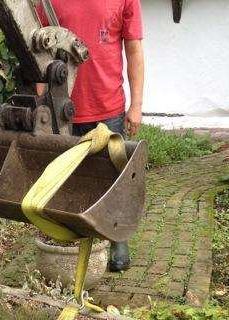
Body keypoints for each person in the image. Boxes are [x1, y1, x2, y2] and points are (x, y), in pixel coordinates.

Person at [36, 0, 145, 272]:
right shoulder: (47, 1)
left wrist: (137, 105)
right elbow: (38, 51)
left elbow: (133, 50)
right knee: (68, 178)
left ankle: (117, 237)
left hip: (108, 107)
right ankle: (76, 236)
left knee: (112, 178)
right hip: (63, 108)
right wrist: (40, 100)